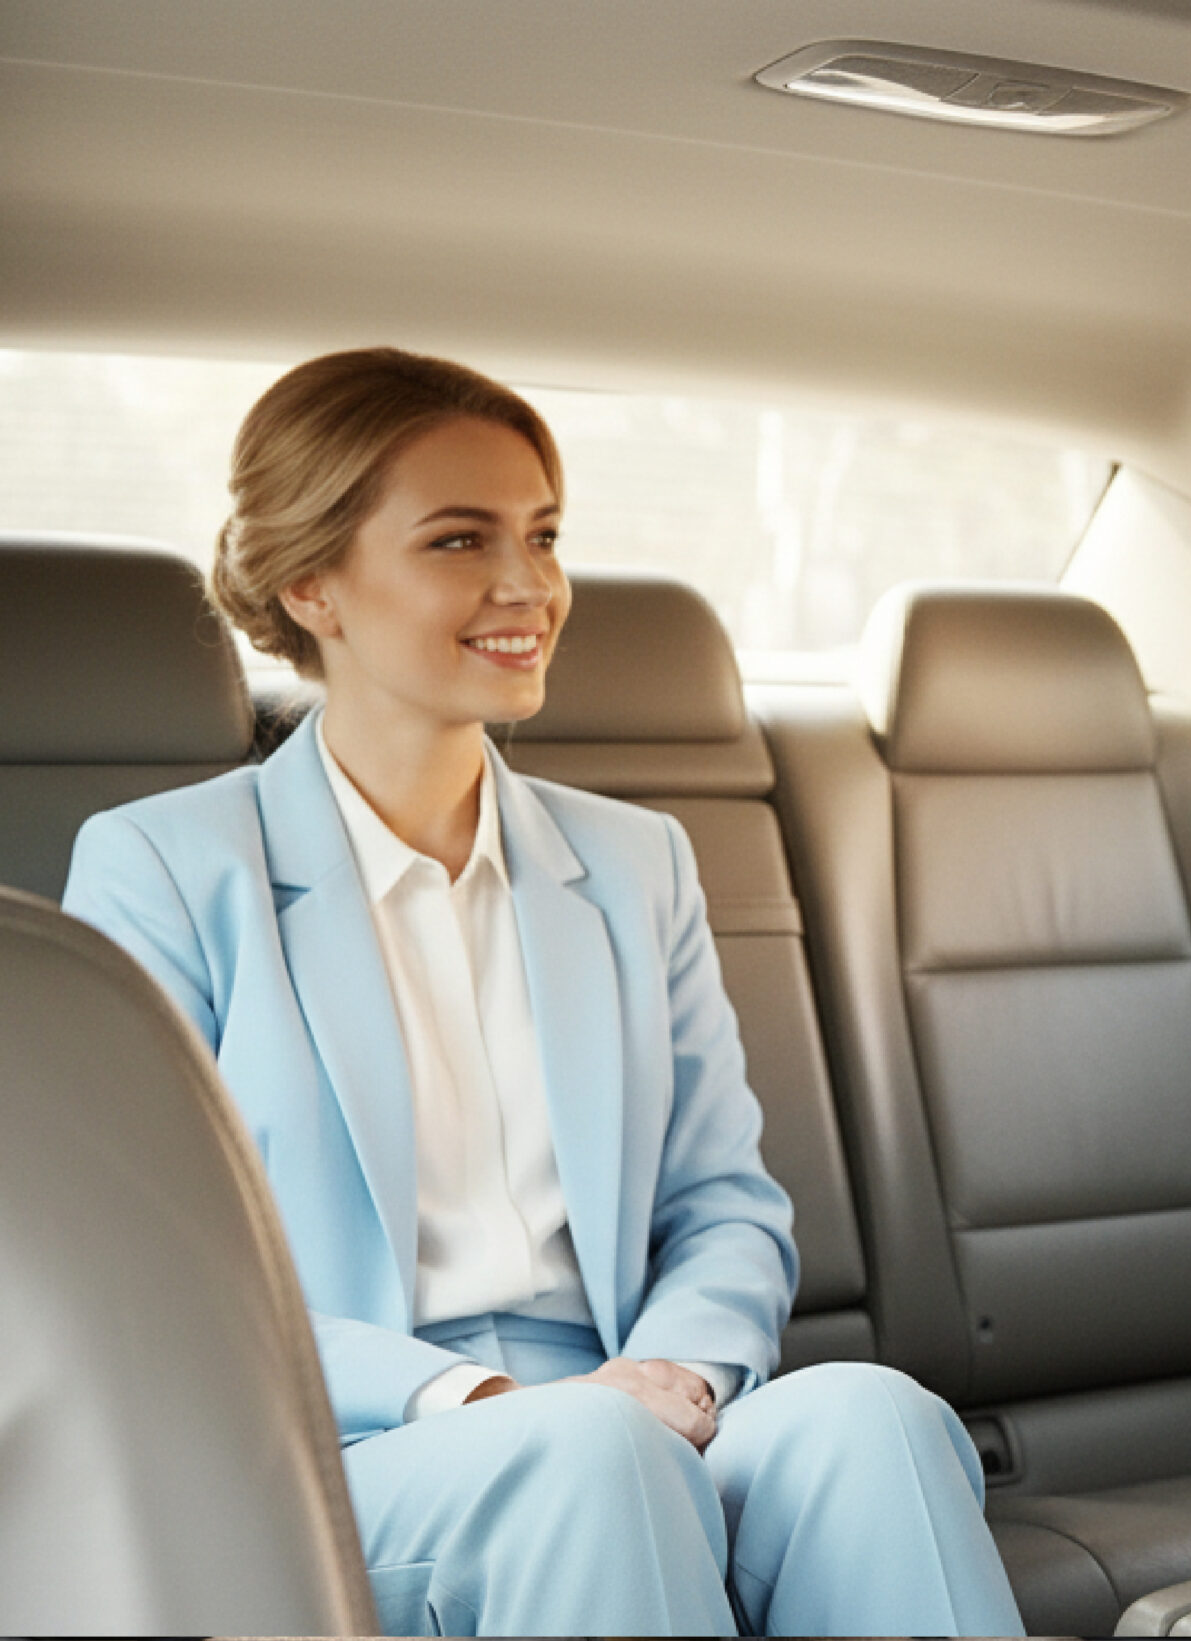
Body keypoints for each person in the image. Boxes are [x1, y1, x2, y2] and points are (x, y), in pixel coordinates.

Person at [63, 347, 1025, 1637]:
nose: (529, 586)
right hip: (344, 1446)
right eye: (461, 541)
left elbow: (727, 1206)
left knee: (872, 1416)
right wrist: (476, 1405)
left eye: (545, 535)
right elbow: (154, 1276)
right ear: (313, 585)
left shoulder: (635, 864)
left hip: (628, 1402)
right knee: (591, 1460)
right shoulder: (166, 868)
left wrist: (673, 1374)